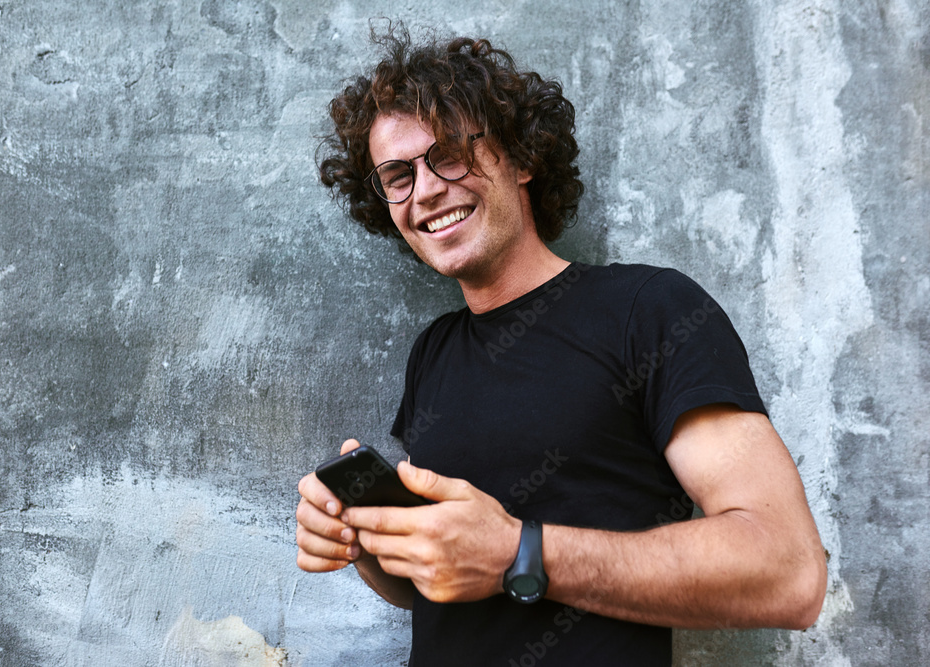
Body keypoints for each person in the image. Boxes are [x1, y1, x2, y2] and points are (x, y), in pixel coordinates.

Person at [296, 27, 827, 666]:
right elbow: (433, 583)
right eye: (398, 175)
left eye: (450, 155)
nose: (427, 190)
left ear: (522, 159)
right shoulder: (432, 352)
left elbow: (787, 572)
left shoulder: (650, 310)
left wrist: (519, 553)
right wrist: (361, 539)